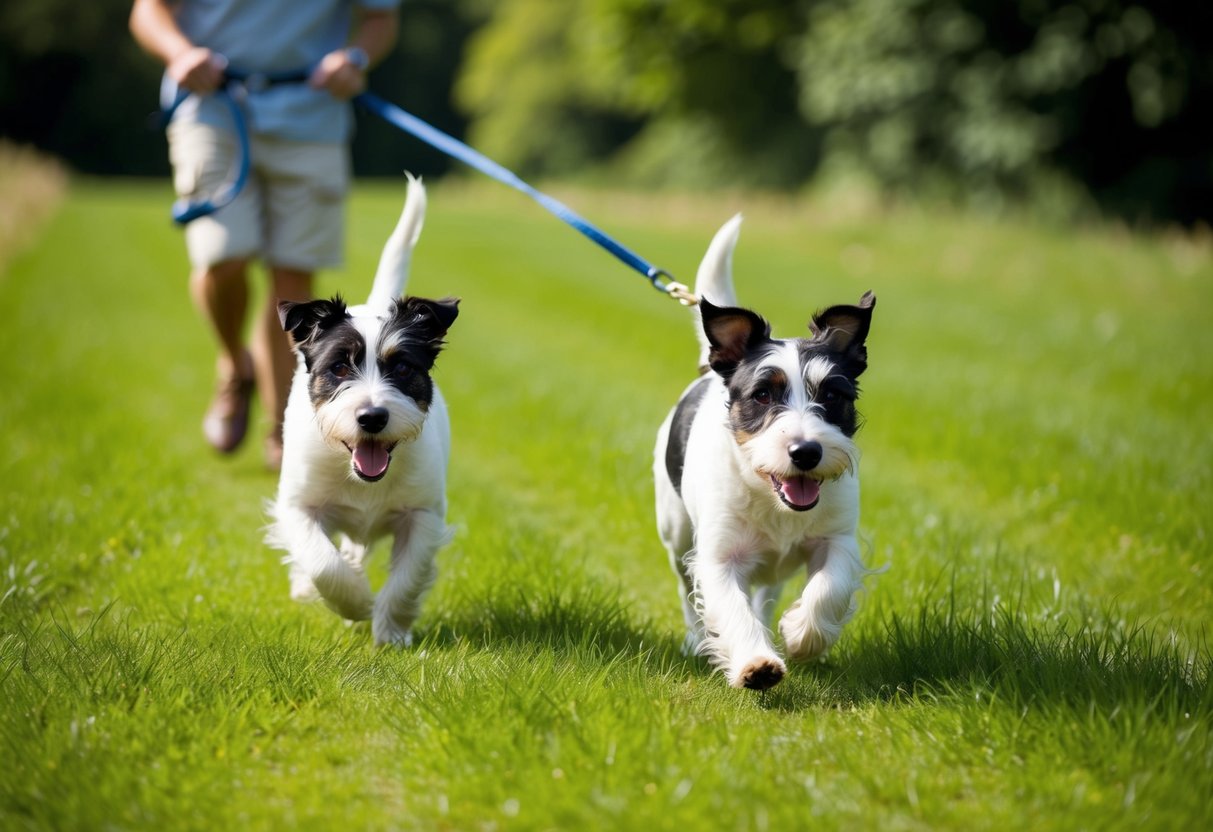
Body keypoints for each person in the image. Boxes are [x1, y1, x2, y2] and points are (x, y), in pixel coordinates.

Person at [130, 0, 400, 470]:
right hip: (211, 107)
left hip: (311, 115)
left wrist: (353, 58)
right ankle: (235, 365)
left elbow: (381, 18)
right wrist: (180, 53)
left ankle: (283, 430)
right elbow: (148, 10)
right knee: (222, 259)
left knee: (292, 286)